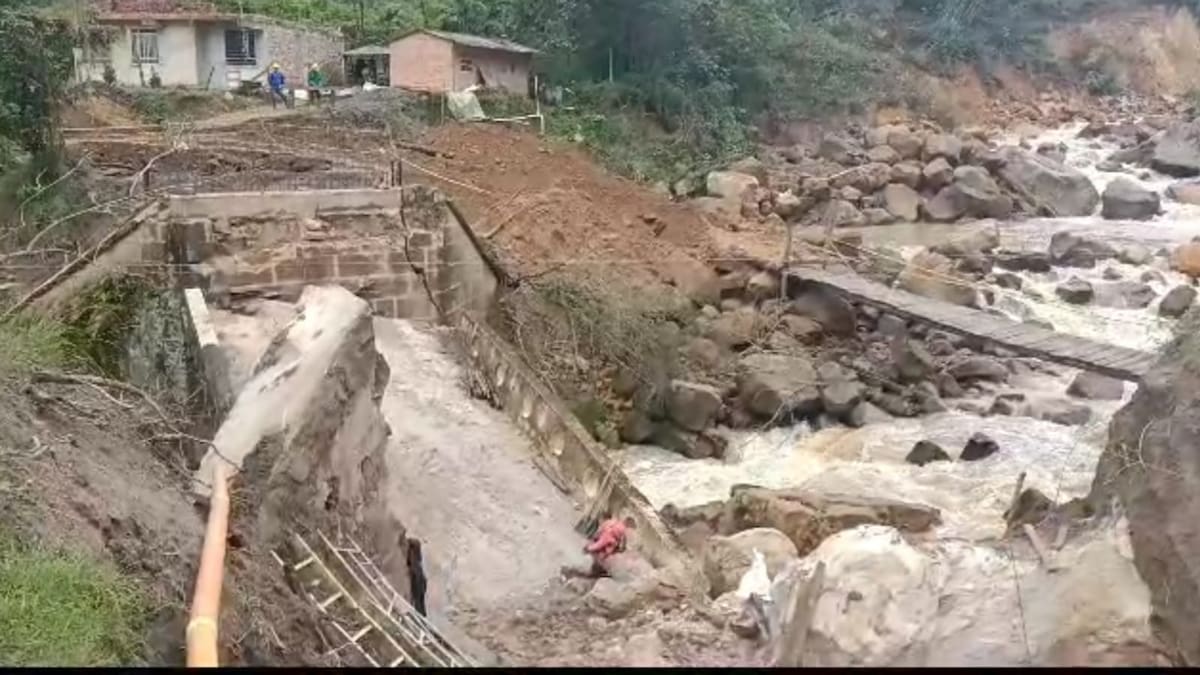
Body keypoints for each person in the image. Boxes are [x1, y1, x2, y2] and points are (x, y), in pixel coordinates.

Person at [405, 538, 428, 617]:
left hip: (417, 582)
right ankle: (422, 618)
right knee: (420, 604)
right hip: (420, 582)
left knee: (418, 604)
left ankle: (420, 618)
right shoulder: (417, 562)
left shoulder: (413, 561)